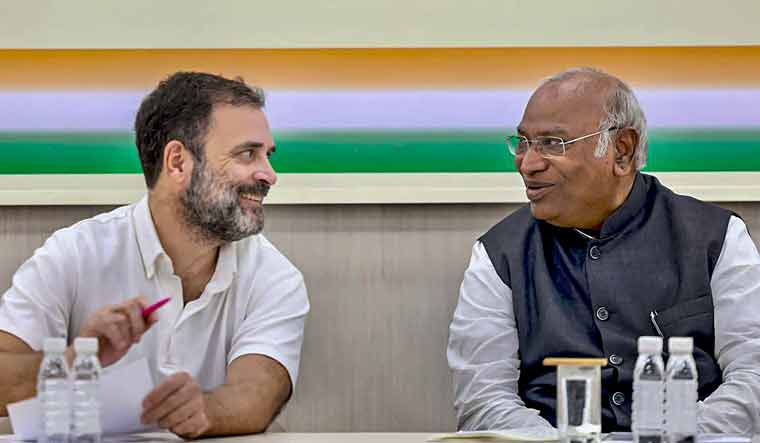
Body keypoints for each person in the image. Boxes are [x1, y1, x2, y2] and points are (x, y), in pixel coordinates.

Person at [447, 67, 760, 434]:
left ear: (621, 150)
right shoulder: (499, 255)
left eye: (552, 143)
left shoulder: (717, 237)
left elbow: (753, 376)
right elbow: (483, 401)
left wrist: (675, 436)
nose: (527, 164)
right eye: (524, 142)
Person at [0, 72, 309, 438]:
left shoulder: (275, 277)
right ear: (177, 162)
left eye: (267, 155)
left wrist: (204, 411)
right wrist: (74, 362)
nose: (270, 175)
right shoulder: (74, 255)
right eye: (247, 153)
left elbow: (258, 393)